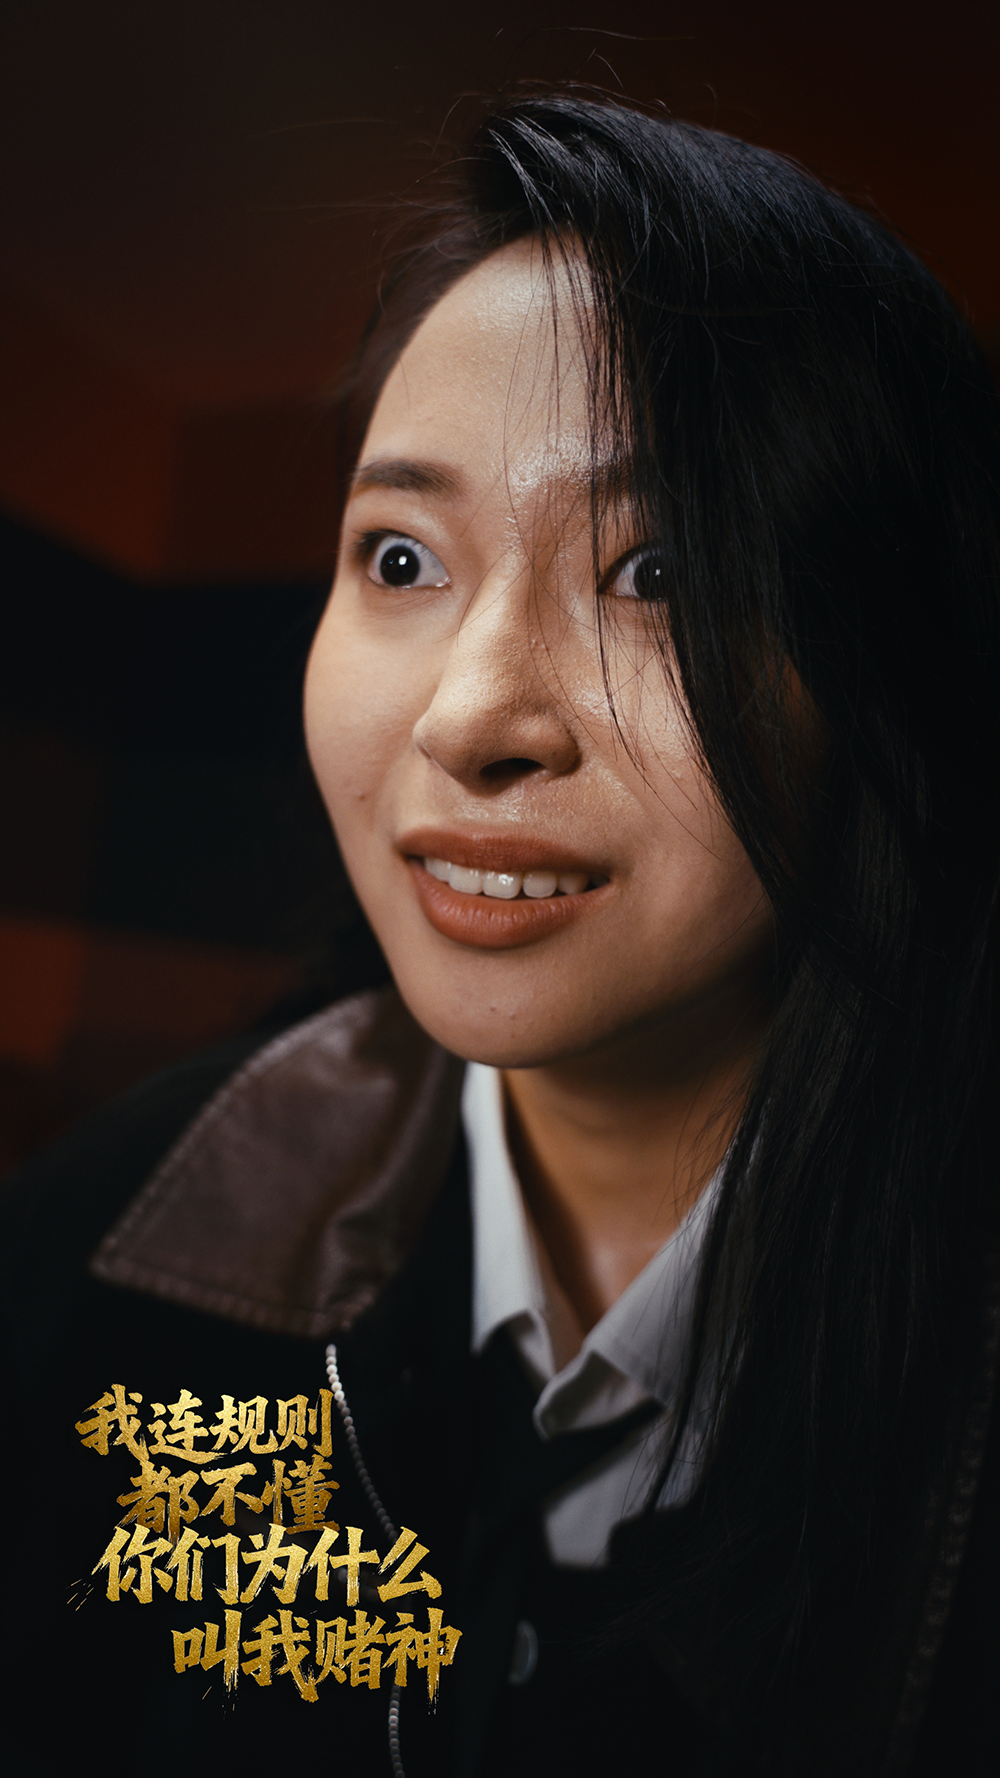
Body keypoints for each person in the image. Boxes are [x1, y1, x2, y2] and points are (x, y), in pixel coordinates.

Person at [3, 93, 998, 1777]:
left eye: (660, 571)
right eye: (401, 557)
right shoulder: (90, 1252)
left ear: (886, 670)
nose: (472, 719)